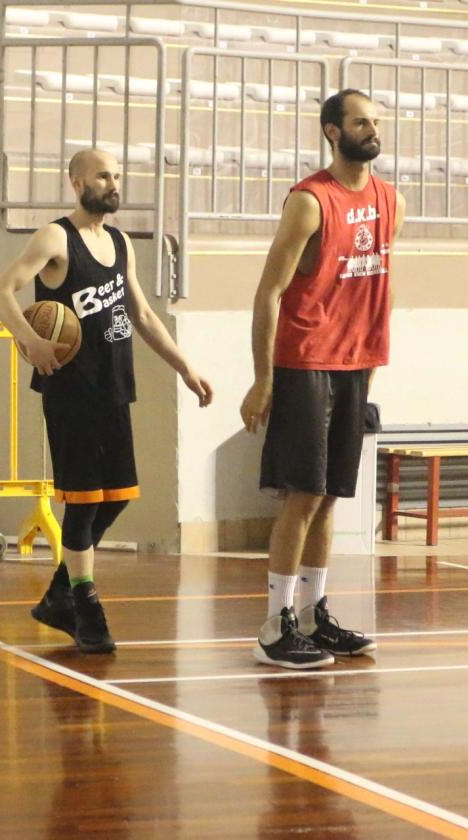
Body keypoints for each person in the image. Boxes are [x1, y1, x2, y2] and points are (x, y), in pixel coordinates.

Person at [0, 148, 213, 653]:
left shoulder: (119, 242)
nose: (113, 184)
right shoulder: (55, 237)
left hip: (113, 386)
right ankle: (86, 606)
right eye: (103, 176)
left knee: (117, 495)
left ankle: (59, 595)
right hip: (72, 391)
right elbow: (0, 292)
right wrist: (30, 339)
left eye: (116, 176)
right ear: (76, 182)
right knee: (85, 503)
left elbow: (144, 315)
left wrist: (185, 367)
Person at [241, 89, 403, 669]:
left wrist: (372, 355)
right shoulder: (310, 201)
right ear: (333, 131)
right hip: (306, 360)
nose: (373, 129)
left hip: (356, 363)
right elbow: (269, 292)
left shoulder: (391, 200)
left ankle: (314, 614)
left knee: (332, 494)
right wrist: (263, 378)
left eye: (376, 121)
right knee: (304, 494)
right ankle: (274, 625)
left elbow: (377, 283)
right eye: (361, 121)